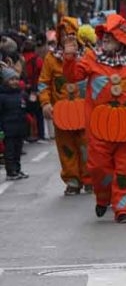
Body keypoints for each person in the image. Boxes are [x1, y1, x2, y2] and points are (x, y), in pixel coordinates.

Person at [62, 13, 126, 223]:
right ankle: (103, 197)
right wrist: (69, 57)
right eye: (105, 35)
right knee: (98, 168)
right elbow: (73, 76)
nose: (106, 38)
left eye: (110, 35)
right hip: (99, 128)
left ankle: (123, 209)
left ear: (121, 38)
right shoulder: (92, 58)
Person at [38, 17, 92, 195]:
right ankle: (72, 180)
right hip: (62, 113)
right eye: (64, 35)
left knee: (87, 147)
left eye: (71, 35)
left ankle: (90, 178)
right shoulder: (51, 59)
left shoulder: (88, 55)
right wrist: (45, 103)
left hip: (85, 111)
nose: (68, 39)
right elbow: (43, 83)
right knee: (66, 148)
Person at [0, 68, 30, 180]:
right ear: (6, 81)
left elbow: (27, 109)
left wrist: (32, 101)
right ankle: (11, 171)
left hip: (20, 127)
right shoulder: (2, 96)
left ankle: (17, 169)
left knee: (18, 150)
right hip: (8, 129)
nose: (14, 82)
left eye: (16, 79)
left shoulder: (21, 94)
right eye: (11, 79)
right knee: (10, 151)